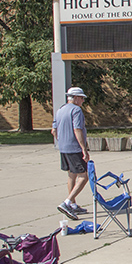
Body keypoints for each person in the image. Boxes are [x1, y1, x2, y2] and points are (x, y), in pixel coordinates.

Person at [52, 86, 89, 221]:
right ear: (76, 98)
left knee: (71, 175)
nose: (83, 101)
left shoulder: (60, 109)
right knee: (84, 176)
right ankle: (67, 202)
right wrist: (83, 148)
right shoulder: (76, 110)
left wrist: (61, 141)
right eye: (82, 98)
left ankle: (73, 204)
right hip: (74, 148)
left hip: (63, 147)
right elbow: (77, 129)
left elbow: (54, 130)